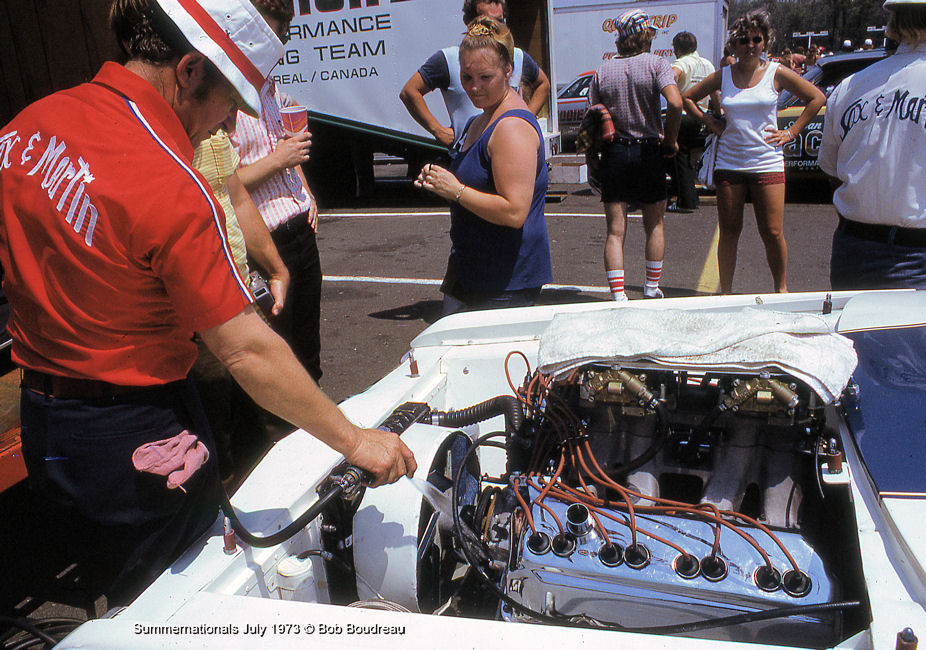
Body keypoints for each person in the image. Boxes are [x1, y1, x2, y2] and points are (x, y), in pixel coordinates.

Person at [0, 0, 415, 606]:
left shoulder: (26, 125)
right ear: (189, 71)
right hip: (138, 438)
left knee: (105, 585)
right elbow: (245, 349)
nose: (226, 127)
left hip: (46, 423)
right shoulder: (166, 177)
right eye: (230, 104)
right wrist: (355, 441)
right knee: (172, 610)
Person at [414, 17, 552, 316]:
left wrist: (457, 191)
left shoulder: (511, 127)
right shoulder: (482, 118)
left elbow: (515, 212)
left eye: (485, 77)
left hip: (504, 281)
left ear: (508, 71)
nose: (474, 88)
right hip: (472, 270)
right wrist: (441, 180)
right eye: (466, 77)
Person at [683, 9, 825, 295]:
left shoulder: (776, 72)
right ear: (734, 45)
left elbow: (817, 97)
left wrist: (791, 132)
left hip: (767, 160)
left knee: (772, 232)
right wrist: (710, 121)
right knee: (730, 230)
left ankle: (780, 289)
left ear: (765, 42)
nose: (750, 45)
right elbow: (686, 97)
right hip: (730, 161)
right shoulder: (723, 76)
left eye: (756, 39)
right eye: (743, 40)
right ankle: (726, 293)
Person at [818, 0, 926, 290]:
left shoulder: (851, 85)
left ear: (893, 19)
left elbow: (831, 169)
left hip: (853, 251)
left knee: (854, 335)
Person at [232, 0, 324, 387]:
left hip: (299, 228)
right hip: (265, 240)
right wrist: (279, 158)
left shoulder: (269, 86)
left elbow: (285, 147)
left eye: (282, 36)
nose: (277, 46)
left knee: (309, 349)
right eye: (270, 36)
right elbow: (226, 183)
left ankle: (318, 432)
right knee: (279, 358)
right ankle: (285, 438)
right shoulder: (229, 95)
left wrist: (306, 191)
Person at [191, 127, 290, 485]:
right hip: (201, 311)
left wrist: (275, 266)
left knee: (269, 419)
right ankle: (226, 530)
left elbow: (237, 197)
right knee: (218, 439)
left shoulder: (211, 133)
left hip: (242, 295)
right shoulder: (160, 138)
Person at [587, 9, 682, 300]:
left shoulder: (602, 70)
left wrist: (592, 163)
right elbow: (676, 104)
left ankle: (618, 295)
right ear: (643, 34)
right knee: (654, 223)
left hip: (615, 153)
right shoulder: (657, 64)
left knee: (615, 230)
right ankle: (651, 288)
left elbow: (592, 119)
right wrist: (672, 140)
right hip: (649, 151)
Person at [399, 0, 551, 147]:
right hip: (469, 154)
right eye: (486, 22)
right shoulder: (450, 59)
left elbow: (543, 84)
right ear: (469, 23)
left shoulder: (516, 56)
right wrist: (438, 131)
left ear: (507, 69)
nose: (493, 28)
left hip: (507, 148)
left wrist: (526, 119)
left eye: (499, 20)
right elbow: (409, 92)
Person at [668, 31, 716, 213]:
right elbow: (714, 94)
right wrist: (716, 113)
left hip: (684, 115)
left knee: (676, 155)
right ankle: (684, 195)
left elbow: (672, 76)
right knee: (687, 157)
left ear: (678, 49)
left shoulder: (681, 63)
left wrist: (671, 92)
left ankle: (686, 200)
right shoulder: (707, 65)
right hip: (702, 115)